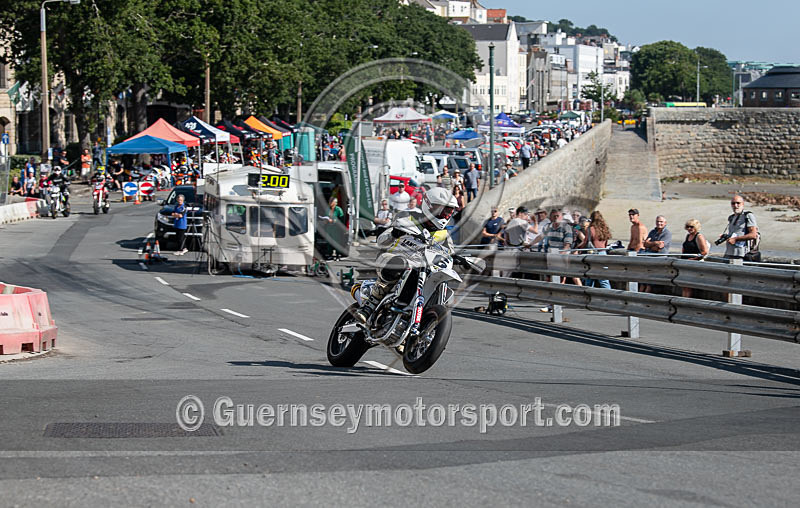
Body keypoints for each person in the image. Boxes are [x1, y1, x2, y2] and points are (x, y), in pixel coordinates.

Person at [355, 187, 458, 323]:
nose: (445, 215)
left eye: (448, 212)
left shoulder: (444, 235)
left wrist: (459, 258)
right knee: (399, 264)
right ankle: (369, 306)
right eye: (442, 210)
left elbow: (450, 253)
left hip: (420, 268)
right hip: (391, 259)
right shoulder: (407, 217)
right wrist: (393, 233)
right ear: (429, 206)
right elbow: (381, 242)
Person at [722, 195, 759, 260]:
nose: (735, 205)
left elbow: (753, 235)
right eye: (733, 203)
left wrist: (736, 239)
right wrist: (725, 237)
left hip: (742, 254)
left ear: (743, 204)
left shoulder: (748, 216)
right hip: (729, 252)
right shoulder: (731, 217)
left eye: (738, 203)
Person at [681, 219, 710, 297]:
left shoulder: (699, 236)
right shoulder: (688, 236)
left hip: (693, 263)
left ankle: (687, 301)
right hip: (685, 262)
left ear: (696, 227)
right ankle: (684, 300)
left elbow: (704, 252)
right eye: (687, 227)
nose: (689, 229)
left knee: (688, 285)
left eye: (691, 227)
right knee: (684, 285)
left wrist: (694, 259)